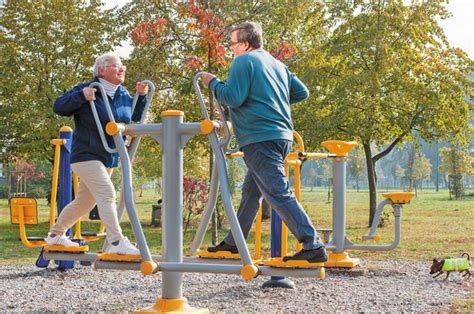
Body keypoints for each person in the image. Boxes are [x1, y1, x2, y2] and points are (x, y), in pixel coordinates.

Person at [201, 22, 327, 263]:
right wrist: (269, 96)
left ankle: (313, 244)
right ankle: (233, 242)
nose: (231, 49)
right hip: (282, 136)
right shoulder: (277, 64)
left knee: (278, 192)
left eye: (233, 44)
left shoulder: (242, 62)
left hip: (259, 137)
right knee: (251, 191)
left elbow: (233, 98)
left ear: (246, 44)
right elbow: (302, 92)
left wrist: (213, 83)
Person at [45, 52, 148, 255]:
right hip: (86, 155)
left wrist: (141, 97)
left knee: (85, 202)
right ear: (101, 70)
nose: (122, 69)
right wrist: (81, 96)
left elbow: (134, 116)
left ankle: (55, 235)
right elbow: (59, 106)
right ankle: (115, 241)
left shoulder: (122, 94)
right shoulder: (88, 89)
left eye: (122, 66)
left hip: (108, 156)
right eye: (116, 66)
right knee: (107, 193)